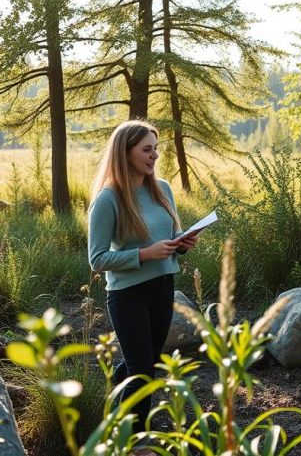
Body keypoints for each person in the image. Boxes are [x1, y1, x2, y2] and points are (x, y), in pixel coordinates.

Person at [87, 120, 199, 446]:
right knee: (142, 373)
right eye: (146, 149)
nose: (154, 156)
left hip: (163, 288)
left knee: (144, 364)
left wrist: (181, 243)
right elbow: (97, 260)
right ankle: (135, 445)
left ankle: (111, 408)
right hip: (128, 296)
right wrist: (145, 254)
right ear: (126, 152)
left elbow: (167, 237)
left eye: (156, 148)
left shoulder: (161, 188)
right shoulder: (108, 199)